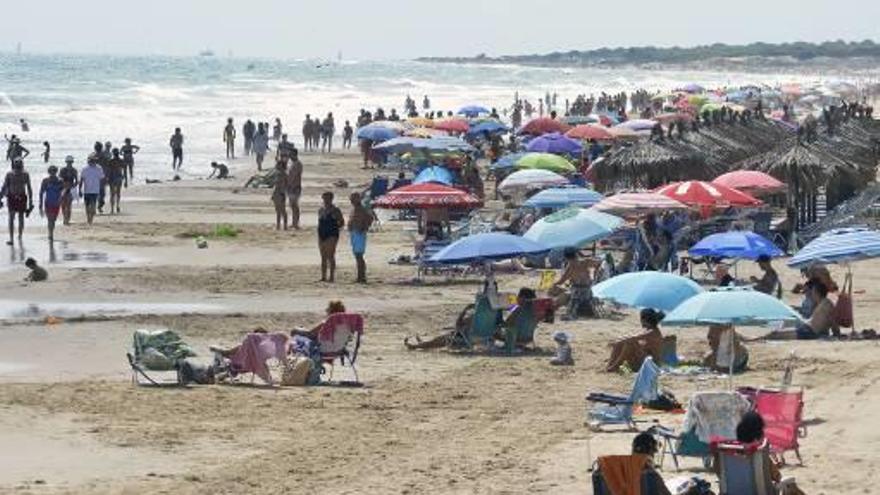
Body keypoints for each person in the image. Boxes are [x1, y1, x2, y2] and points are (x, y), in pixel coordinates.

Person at [731, 412, 805, 495]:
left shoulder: (726, 453)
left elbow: (718, 471)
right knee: (791, 485)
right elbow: (777, 477)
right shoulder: (759, 454)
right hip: (761, 492)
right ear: (758, 436)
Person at [759, 280, 839, 340]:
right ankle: (758, 339)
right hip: (807, 329)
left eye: (812, 291)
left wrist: (837, 333)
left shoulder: (826, 304)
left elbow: (832, 320)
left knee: (776, 335)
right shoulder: (822, 303)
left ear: (816, 292)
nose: (811, 294)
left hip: (809, 332)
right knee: (776, 333)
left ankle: (756, 339)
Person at [552, 248, 598, 320]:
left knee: (561, 296)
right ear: (576, 255)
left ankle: (551, 309)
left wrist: (553, 285)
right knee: (564, 293)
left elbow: (561, 281)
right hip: (588, 291)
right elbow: (600, 263)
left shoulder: (571, 266)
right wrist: (595, 276)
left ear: (566, 258)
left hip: (577, 293)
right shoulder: (586, 261)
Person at [0, 158, 33, 245]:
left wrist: (31, 201)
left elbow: (29, 188)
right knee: (11, 217)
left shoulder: (25, 174)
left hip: (22, 197)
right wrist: (0, 196)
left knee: (20, 217)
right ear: (14, 165)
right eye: (16, 165)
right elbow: (4, 187)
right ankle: (11, 238)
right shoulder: (9, 174)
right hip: (11, 197)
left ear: (22, 165)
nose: (18, 167)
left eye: (19, 165)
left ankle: (20, 235)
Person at [317, 191, 345, 282]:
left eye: (328, 198)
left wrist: (335, 228)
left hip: (331, 234)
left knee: (330, 255)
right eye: (324, 198)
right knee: (323, 256)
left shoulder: (335, 210)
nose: (326, 200)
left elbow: (342, 222)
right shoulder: (321, 210)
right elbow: (320, 222)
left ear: (331, 199)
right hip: (321, 234)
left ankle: (332, 277)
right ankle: (323, 276)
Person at [348, 192, 373, 284]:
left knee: (359, 256)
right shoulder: (354, 209)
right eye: (351, 199)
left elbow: (370, 218)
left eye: (353, 199)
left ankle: (361, 277)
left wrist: (365, 227)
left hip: (359, 233)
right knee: (357, 256)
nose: (351, 201)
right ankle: (360, 276)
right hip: (354, 233)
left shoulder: (362, 209)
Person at [39, 166, 64, 241]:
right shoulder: (45, 181)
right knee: (50, 219)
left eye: (54, 171)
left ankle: (51, 232)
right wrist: (40, 204)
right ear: (49, 172)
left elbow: (62, 191)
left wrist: (61, 198)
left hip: (57, 203)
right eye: (51, 171)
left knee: (54, 220)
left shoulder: (60, 180)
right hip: (48, 202)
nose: (52, 173)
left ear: (56, 172)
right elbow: (41, 192)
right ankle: (50, 234)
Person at [79, 156, 105, 225]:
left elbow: (102, 179)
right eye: (91, 161)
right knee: (87, 206)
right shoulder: (85, 169)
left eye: (93, 161)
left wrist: (102, 188)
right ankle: (88, 219)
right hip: (87, 191)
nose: (92, 162)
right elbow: (81, 180)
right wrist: (79, 190)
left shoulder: (99, 168)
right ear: (88, 161)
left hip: (95, 190)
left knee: (93, 207)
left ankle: (91, 219)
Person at [106, 148, 128, 214]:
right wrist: (126, 181)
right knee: (118, 193)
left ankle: (112, 209)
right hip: (119, 178)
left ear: (113, 153)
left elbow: (108, 171)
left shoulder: (111, 161)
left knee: (112, 194)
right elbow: (125, 172)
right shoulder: (121, 161)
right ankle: (117, 205)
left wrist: (107, 179)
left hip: (112, 178)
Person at [59, 155, 78, 226]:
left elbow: (76, 181)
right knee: (63, 205)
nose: (69, 163)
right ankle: (65, 218)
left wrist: (73, 187)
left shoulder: (74, 170)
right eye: (68, 162)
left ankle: (67, 219)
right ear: (66, 162)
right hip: (63, 188)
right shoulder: (63, 170)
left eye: (70, 162)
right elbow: (60, 179)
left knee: (68, 205)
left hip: (70, 189)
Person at [287, 150, 303, 229]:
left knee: (294, 206)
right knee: (292, 206)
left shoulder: (297, 164)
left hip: (295, 187)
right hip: (292, 186)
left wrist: (290, 185)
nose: (289, 157)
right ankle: (294, 222)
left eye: (291, 155)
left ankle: (296, 223)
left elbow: (293, 176)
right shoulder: (293, 164)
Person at [271, 160, 289, 230]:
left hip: (280, 193)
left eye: (278, 164)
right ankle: (279, 225)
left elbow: (285, 185)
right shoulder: (278, 174)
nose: (277, 165)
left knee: (282, 210)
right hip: (278, 193)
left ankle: (284, 225)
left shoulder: (283, 175)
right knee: (278, 210)